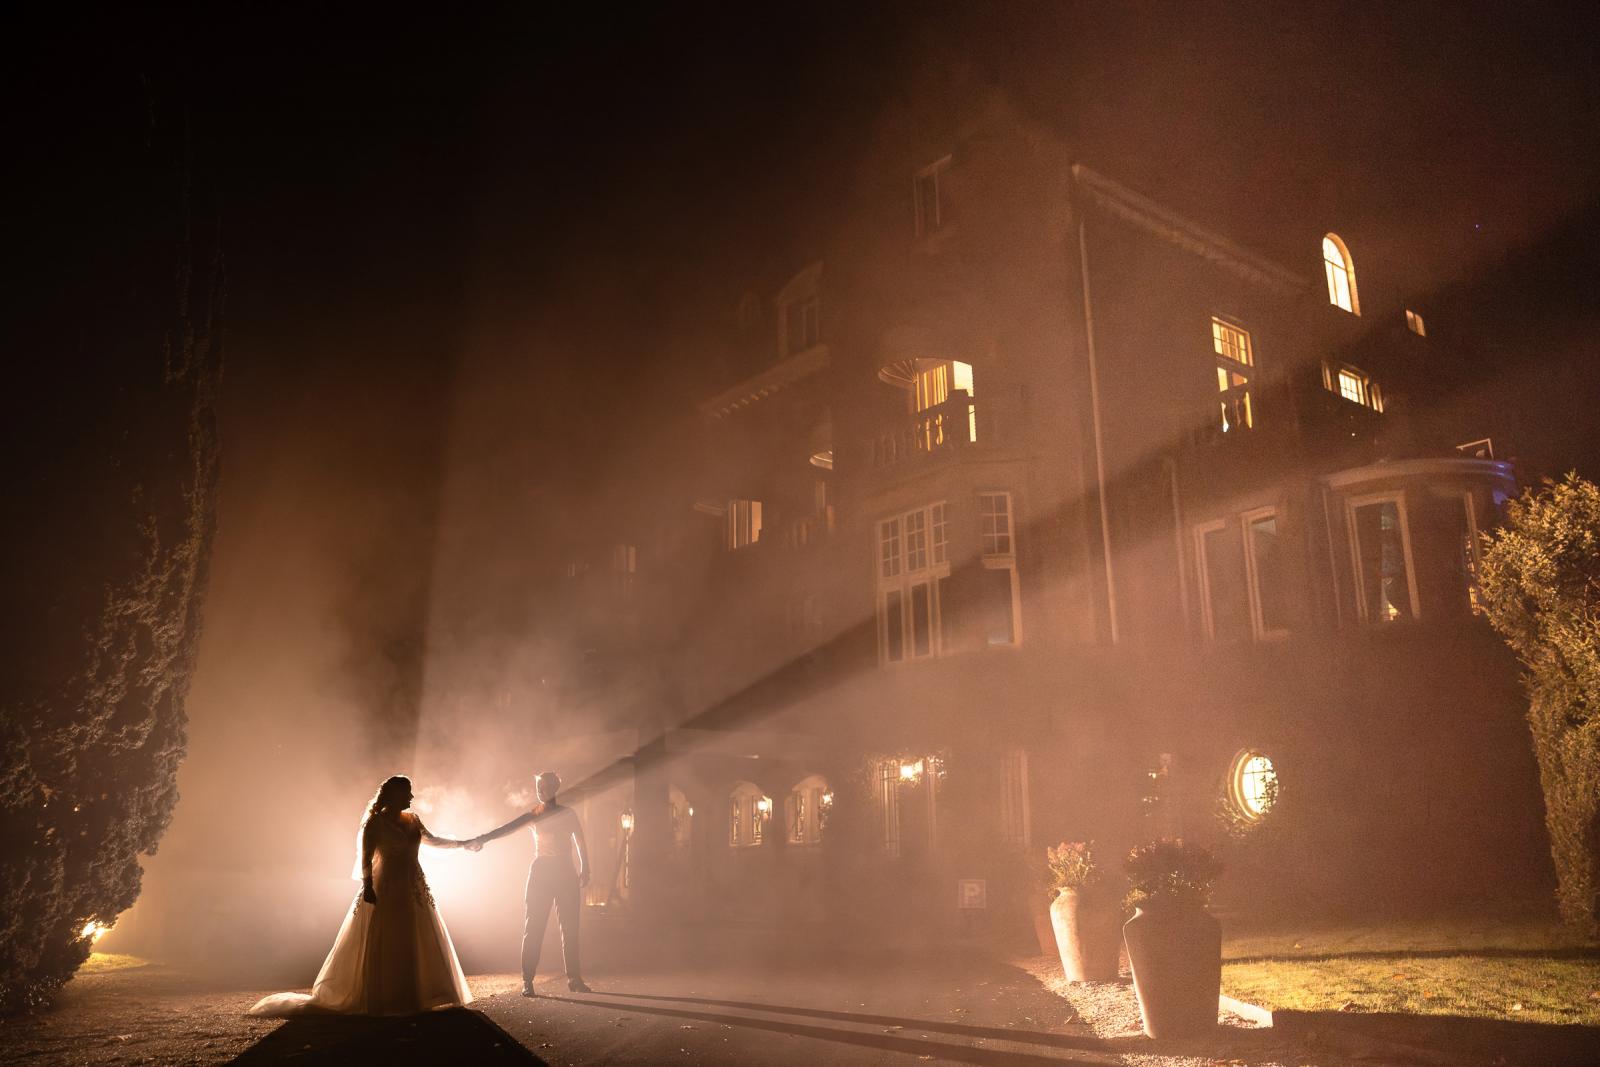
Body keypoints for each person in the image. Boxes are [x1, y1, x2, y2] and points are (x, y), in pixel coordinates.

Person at [247, 775, 475, 1016]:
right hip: (387, 887)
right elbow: (365, 859)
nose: (411, 796)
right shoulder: (375, 825)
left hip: (414, 886)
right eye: (407, 791)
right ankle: (387, 997)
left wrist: (462, 844)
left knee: (415, 936)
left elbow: (433, 841)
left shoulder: (413, 820)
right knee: (389, 938)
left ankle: (417, 995)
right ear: (395, 794)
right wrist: (368, 887)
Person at [469, 771, 592, 996]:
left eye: (544, 786)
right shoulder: (533, 815)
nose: (540, 790)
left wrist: (585, 866)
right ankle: (527, 980)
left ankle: (574, 978)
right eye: (538, 786)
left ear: (555, 788)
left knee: (570, 927)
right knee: (533, 926)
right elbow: (506, 829)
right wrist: (483, 839)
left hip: (565, 870)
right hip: (541, 871)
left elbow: (580, 841)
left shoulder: (568, 814)